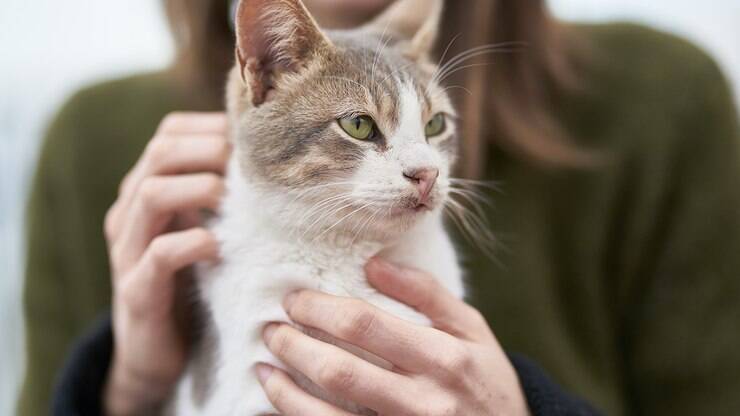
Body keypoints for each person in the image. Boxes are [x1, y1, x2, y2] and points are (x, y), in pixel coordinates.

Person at [19, 0, 740, 415]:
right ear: (262, 70)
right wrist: (124, 389)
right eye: (361, 127)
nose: (425, 172)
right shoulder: (91, 139)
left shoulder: (661, 100)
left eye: (434, 128)